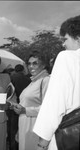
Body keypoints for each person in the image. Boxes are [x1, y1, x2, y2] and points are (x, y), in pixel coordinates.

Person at [33, 15, 80, 150]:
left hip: (67, 138)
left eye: (65, 39)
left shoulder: (67, 57)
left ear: (78, 38)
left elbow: (55, 104)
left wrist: (42, 143)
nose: (63, 44)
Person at [13, 50, 50, 150]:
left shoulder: (46, 80)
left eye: (35, 63)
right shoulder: (33, 81)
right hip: (25, 127)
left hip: (35, 129)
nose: (31, 66)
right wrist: (19, 130)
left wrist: (25, 110)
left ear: (43, 65)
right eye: (29, 63)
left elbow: (49, 109)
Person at [6, 64, 31, 150]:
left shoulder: (11, 78)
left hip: (12, 107)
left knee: (11, 130)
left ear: (15, 70)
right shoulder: (28, 80)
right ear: (23, 70)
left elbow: (8, 93)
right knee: (19, 130)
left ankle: (12, 147)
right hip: (24, 108)